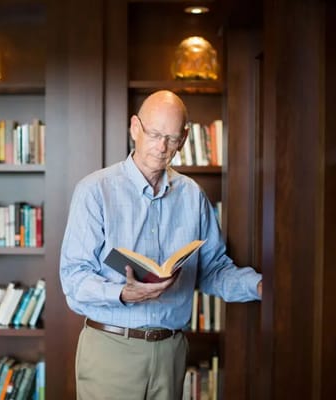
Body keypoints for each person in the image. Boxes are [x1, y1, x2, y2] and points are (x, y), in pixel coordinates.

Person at [59, 90, 262, 400]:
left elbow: (214, 270)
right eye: (154, 134)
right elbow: (73, 279)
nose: (162, 147)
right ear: (135, 128)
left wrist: (261, 286)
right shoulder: (95, 190)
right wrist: (123, 293)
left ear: (184, 138)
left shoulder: (192, 195)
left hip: (171, 351)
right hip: (111, 349)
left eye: (171, 137)